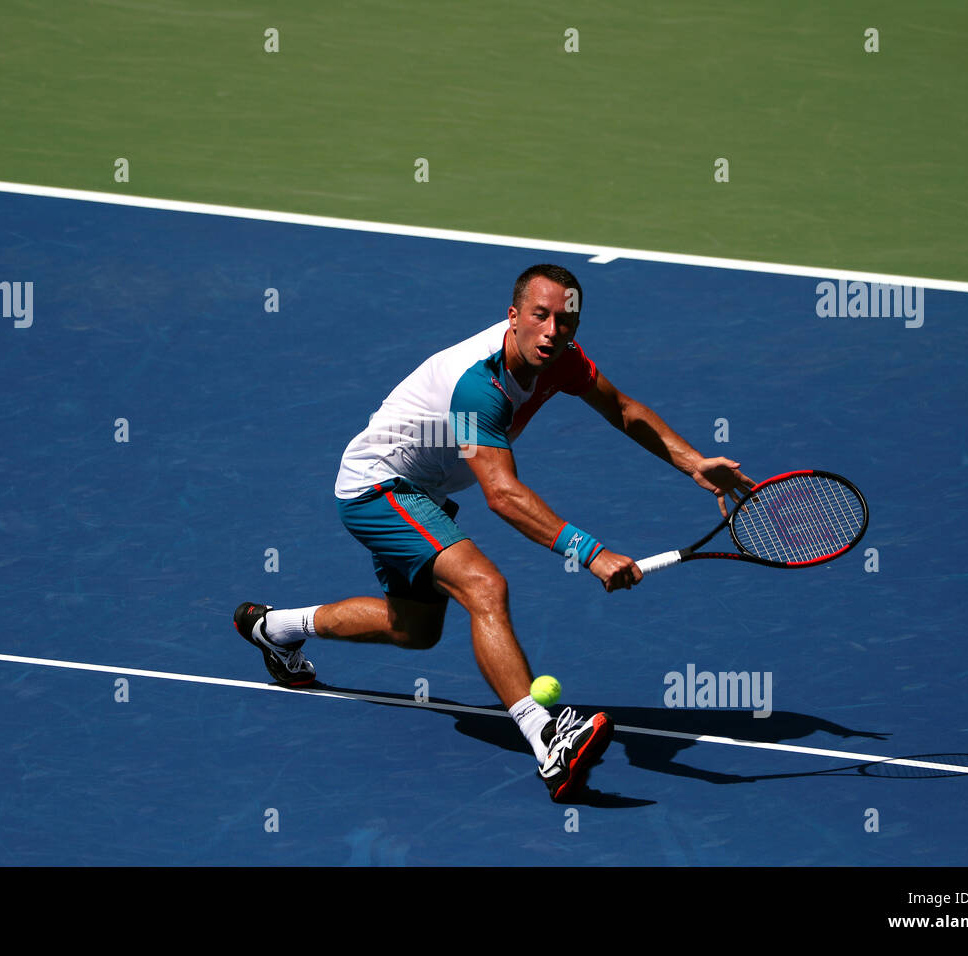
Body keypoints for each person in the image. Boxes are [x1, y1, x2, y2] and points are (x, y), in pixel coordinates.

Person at [235, 264, 753, 801]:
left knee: (415, 629)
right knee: (484, 585)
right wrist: (591, 552)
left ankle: (273, 628)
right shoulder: (477, 387)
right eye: (541, 316)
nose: (554, 330)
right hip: (378, 485)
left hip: (422, 490)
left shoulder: (561, 360)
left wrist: (693, 461)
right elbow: (502, 494)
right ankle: (547, 737)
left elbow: (621, 408)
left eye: (566, 320)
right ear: (514, 316)